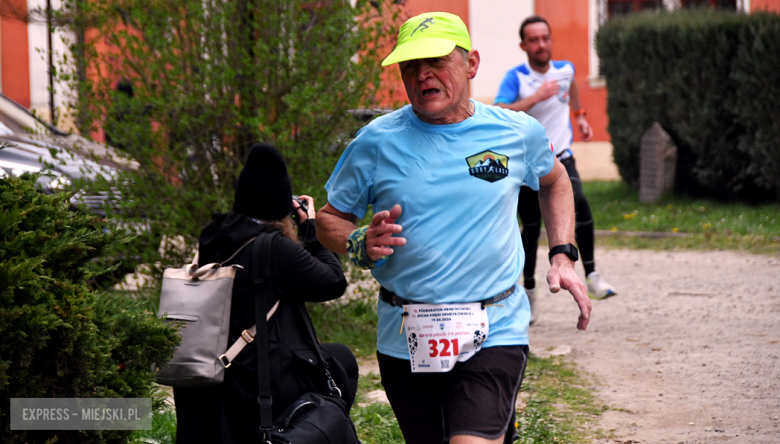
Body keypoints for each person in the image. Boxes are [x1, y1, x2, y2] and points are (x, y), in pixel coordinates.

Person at [316, 12, 591, 444]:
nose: (422, 75)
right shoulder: (376, 141)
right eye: (411, 66)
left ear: (471, 64)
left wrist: (563, 254)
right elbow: (328, 220)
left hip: (494, 327)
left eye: (436, 61)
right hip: (404, 335)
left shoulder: (515, 132)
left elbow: (555, 181)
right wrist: (358, 242)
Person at [173, 143, 358, 444]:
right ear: (283, 206)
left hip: (214, 366)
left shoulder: (215, 236)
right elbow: (333, 282)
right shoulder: (275, 248)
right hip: (257, 379)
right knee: (342, 361)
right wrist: (311, 227)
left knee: (335, 356)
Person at [494, 15, 617, 323]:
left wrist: (581, 115)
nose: (541, 45)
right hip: (527, 164)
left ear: (551, 40)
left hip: (561, 156)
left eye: (545, 38)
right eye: (533, 40)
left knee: (580, 202)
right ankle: (530, 290)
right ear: (523, 45)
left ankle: (592, 274)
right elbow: (499, 110)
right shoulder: (517, 78)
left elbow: (572, 87)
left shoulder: (565, 70)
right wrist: (534, 98)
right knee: (531, 227)